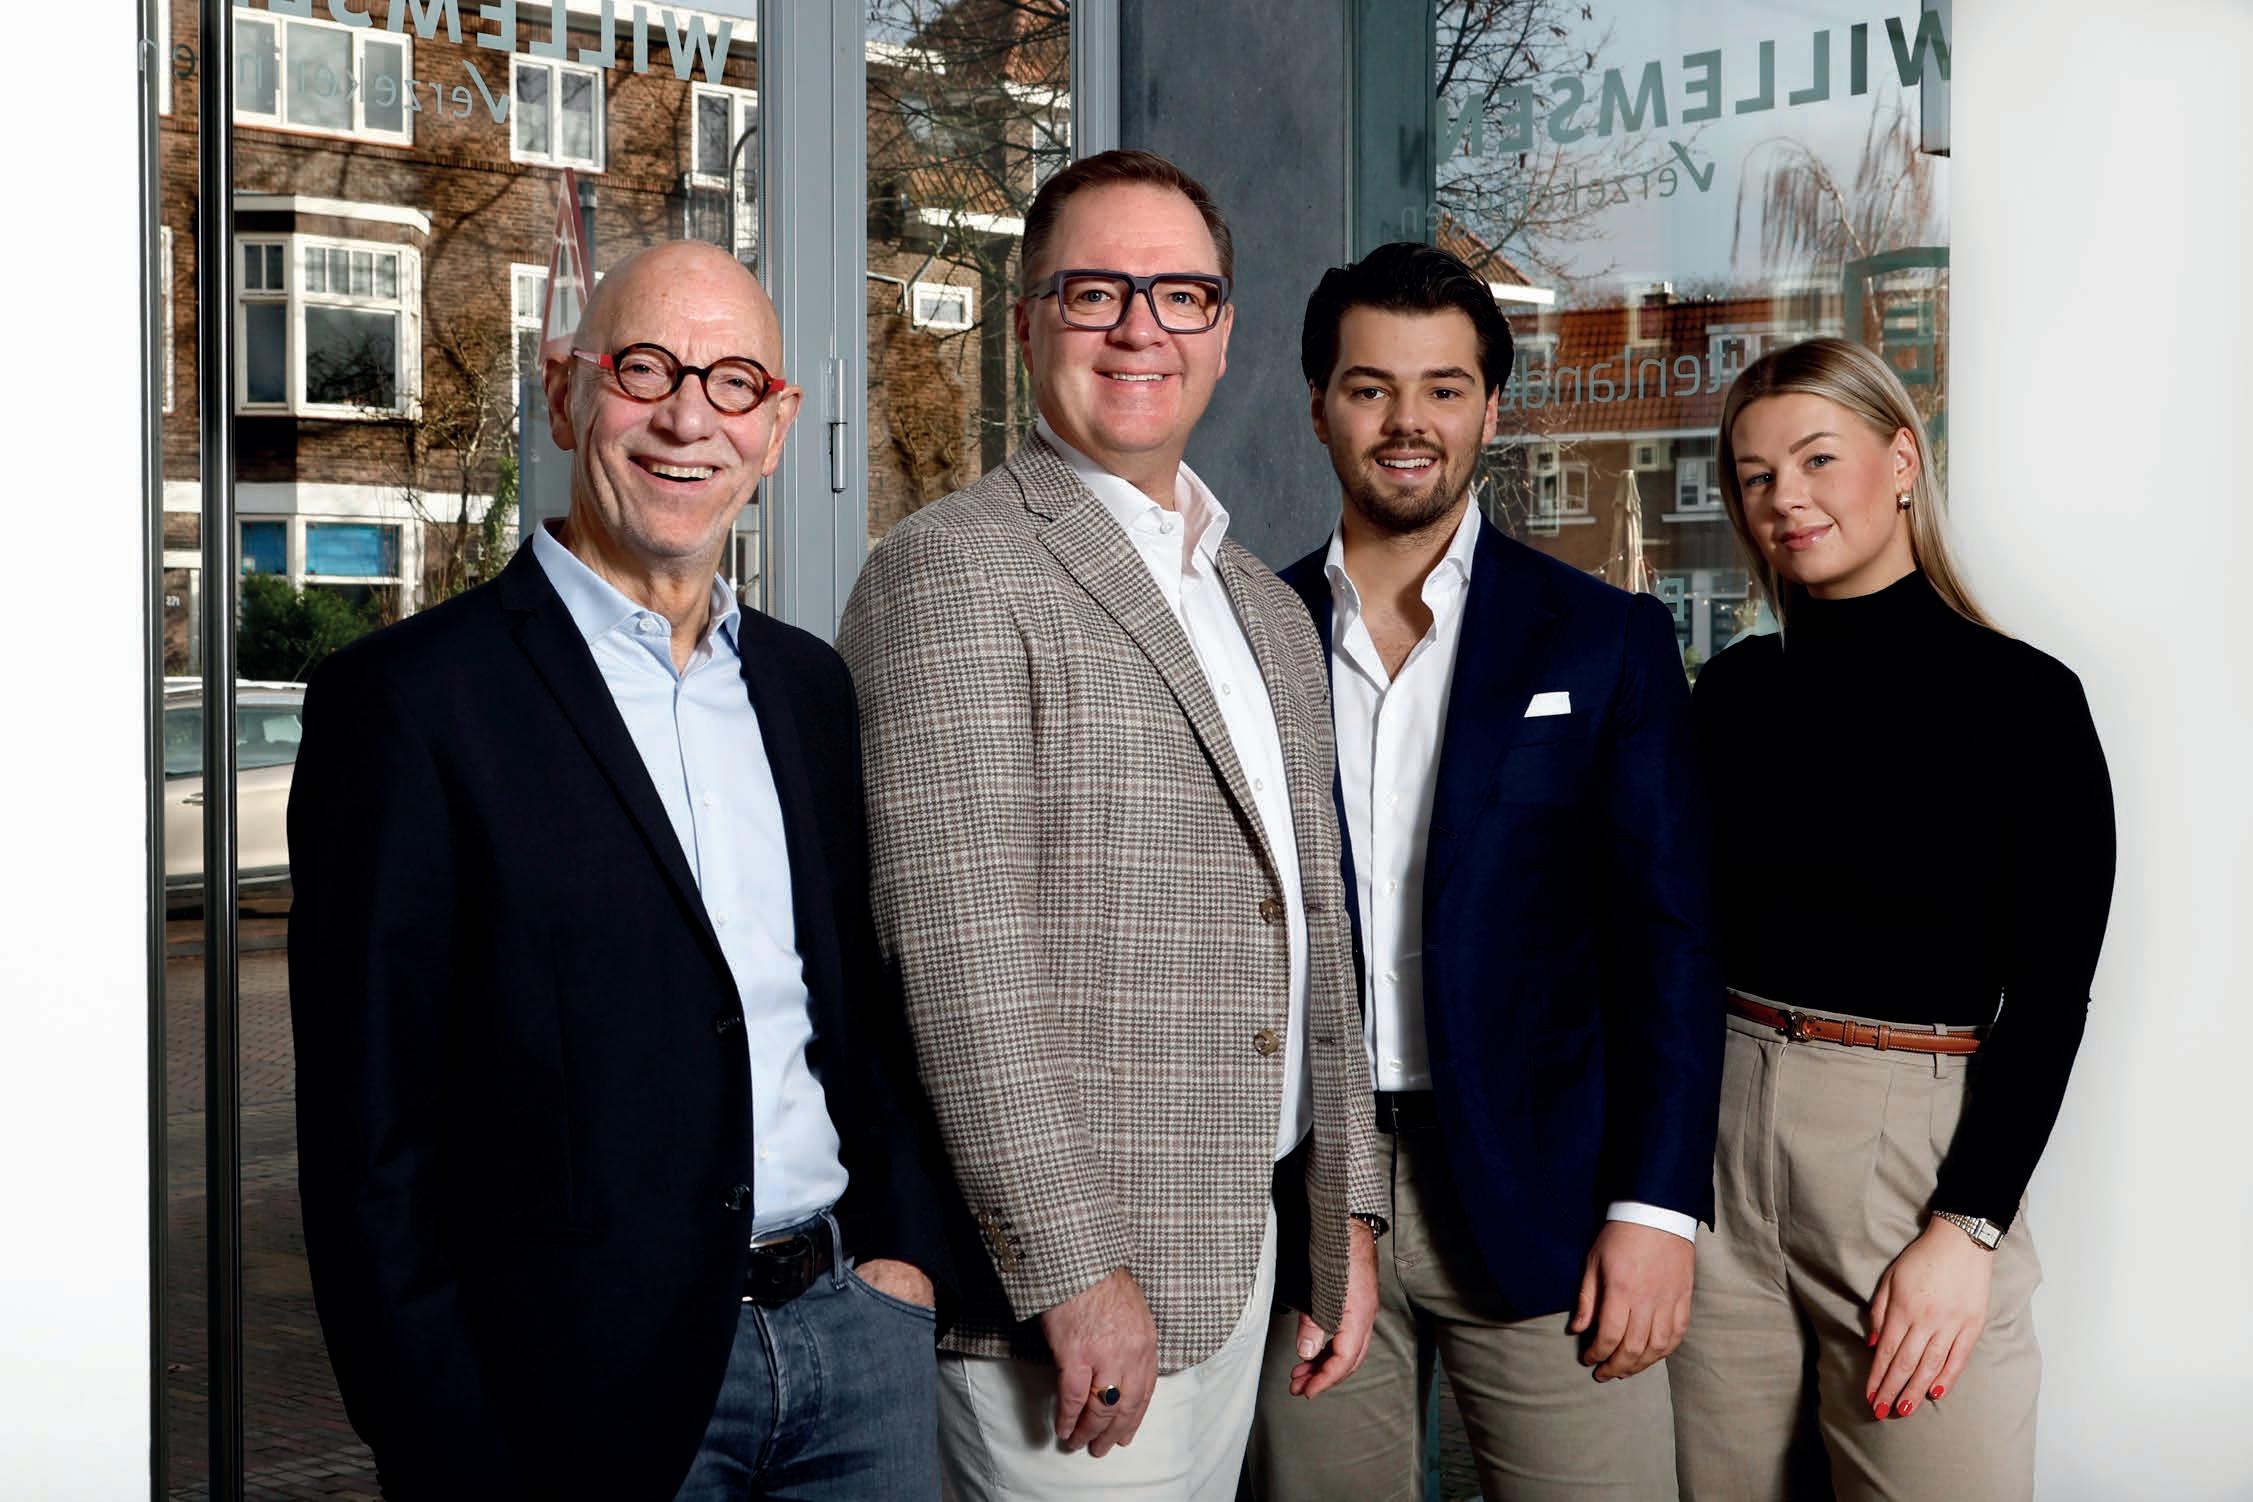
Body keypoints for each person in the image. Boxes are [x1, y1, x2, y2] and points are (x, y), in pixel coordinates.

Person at [288, 240, 953, 1501]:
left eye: (734, 382)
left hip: (853, 1352)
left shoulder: (809, 689)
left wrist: (903, 1261)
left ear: (776, 429)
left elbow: (859, 1012)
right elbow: (368, 1140)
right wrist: (444, 1445)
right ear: (566, 393)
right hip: (573, 1397)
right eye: (645, 368)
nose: (688, 418)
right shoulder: (410, 703)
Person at [837, 149, 1386, 1500]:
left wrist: (1344, 1212)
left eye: (1180, 294)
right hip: (1069, 1295)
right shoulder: (950, 570)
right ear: (1029, 321)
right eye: (1095, 292)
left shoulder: (1263, 604)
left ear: (1223, 332)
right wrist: (1072, 1267)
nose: (1141, 328)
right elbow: (957, 960)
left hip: (1241, 1248)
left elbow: (1314, 920)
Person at [1244, 241, 1722, 1500]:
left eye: (1444, 388)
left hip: (1553, 1189)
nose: (1409, 422)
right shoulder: (1244, 634)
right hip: (1307, 1194)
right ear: (1318, 406)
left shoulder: (1606, 639)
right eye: (1371, 388)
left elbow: (1671, 942)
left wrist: (1656, 1207)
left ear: (1492, 409)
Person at [1668, 336, 2116, 1499]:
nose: (1786, 496)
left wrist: (1968, 1226)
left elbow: (2051, 997)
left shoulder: (2027, 701)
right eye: (1756, 475)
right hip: (1718, 1137)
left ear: (1903, 461)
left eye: (1818, 457)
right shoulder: (1732, 694)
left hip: (1909, 1160)